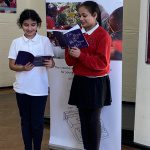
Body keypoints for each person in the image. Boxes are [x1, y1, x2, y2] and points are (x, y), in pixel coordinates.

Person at [65, 1, 112, 150]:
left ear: (95, 15)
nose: (81, 19)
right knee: (83, 121)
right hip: (80, 81)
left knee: (92, 121)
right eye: (80, 16)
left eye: (84, 15)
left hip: (96, 84)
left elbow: (102, 64)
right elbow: (69, 62)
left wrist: (81, 55)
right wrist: (69, 47)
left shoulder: (103, 36)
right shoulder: (78, 34)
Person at [8, 9, 55, 150]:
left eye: (33, 25)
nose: (29, 28)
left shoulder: (44, 40)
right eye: (26, 25)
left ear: (38, 25)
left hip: (40, 89)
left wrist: (51, 64)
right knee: (25, 122)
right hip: (21, 88)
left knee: (37, 122)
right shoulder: (16, 42)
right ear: (21, 25)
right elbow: (11, 65)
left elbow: (51, 63)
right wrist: (23, 68)